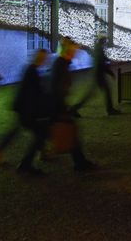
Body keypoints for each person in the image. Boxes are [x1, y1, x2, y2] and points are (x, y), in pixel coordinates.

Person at [0, 49, 51, 174]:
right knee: (40, 132)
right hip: (26, 109)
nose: (45, 60)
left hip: (23, 108)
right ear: (39, 59)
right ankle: (27, 163)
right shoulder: (32, 71)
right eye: (43, 58)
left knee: (19, 130)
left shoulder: (30, 69)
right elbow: (34, 93)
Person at [50, 37, 97, 171]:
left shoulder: (63, 63)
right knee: (69, 133)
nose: (76, 53)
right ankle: (80, 163)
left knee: (65, 133)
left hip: (58, 105)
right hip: (57, 106)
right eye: (74, 50)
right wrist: (63, 107)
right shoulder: (60, 64)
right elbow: (57, 87)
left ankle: (80, 162)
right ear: (67, 50)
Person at [72, 36, 121, 116]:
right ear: (103, 41)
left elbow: (100, 57)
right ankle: (110, 109)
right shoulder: (99, 49)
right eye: (105, 40)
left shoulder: (98, 48)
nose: (106, 42)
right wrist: (110, 72)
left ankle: (74, 108)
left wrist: (111, 61)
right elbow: (101, 62)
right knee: (98, 92)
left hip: (97, 74)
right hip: (99, 75)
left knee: (93, 93)